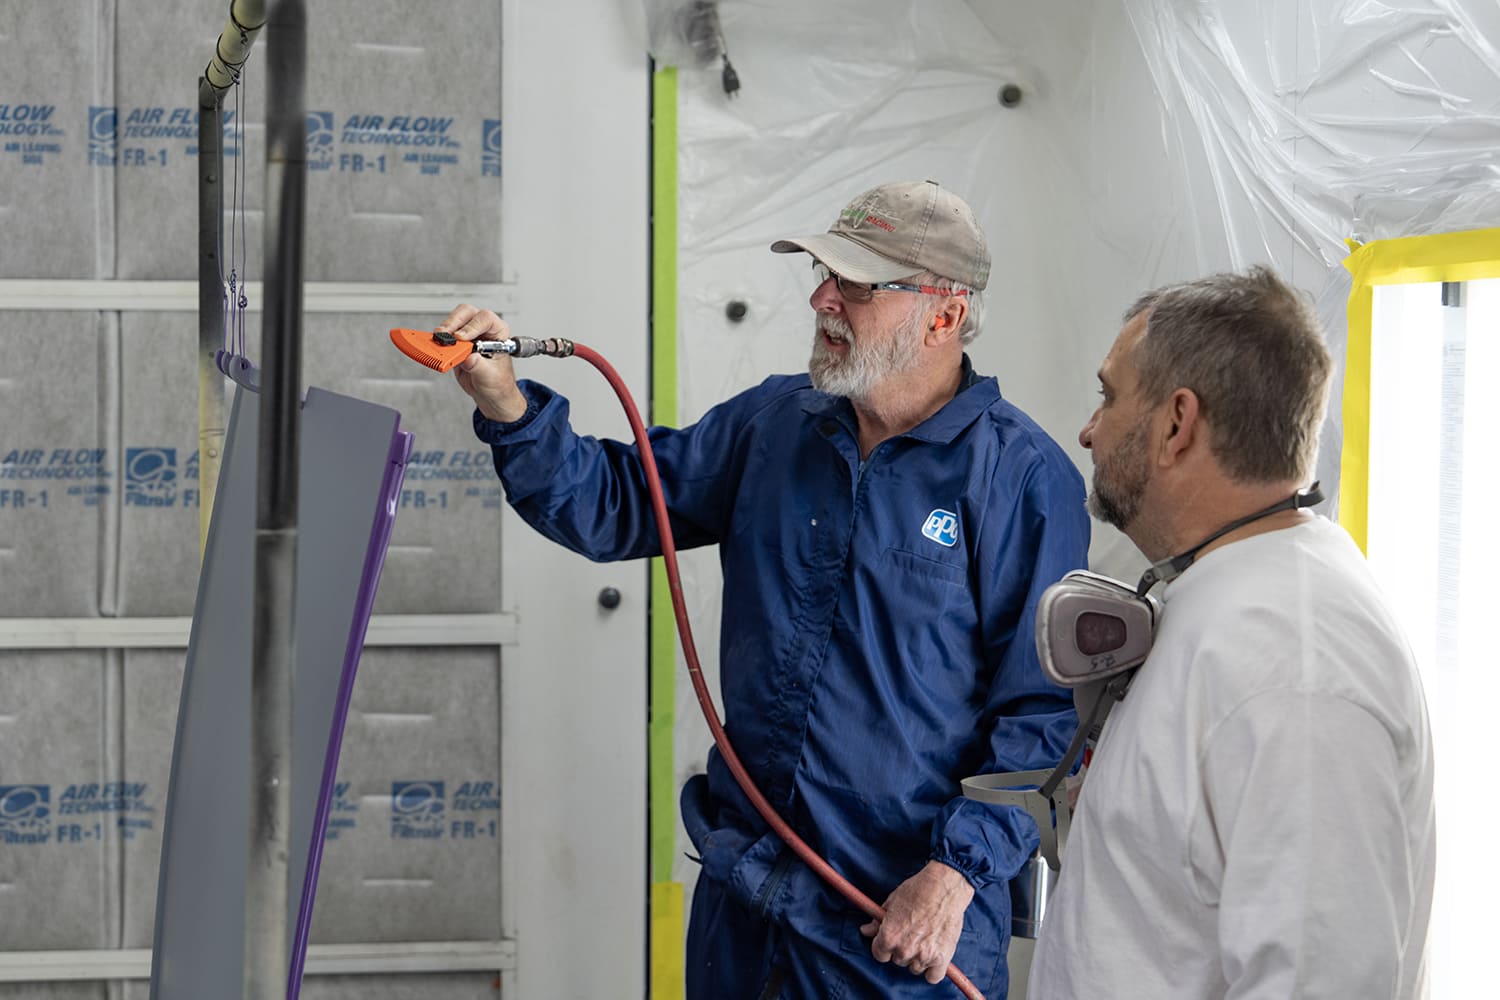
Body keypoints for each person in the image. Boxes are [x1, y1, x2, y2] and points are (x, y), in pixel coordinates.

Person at [441, 179, 1090, 999]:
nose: (822, 300)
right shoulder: (777, 422)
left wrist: (954, 876)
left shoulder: (1023, 480)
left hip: (894, 933)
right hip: (747, 910)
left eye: (856, 285)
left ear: (944, 314)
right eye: (825, 275)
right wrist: (508, 406)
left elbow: (1045, 717)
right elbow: (617, 502)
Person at [1029, 266, 1436, 999]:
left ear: (1176, 424)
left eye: (1109, 396)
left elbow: (1323, 983)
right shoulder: (1231, 597)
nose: (1089, 430)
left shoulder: (1293, 665)